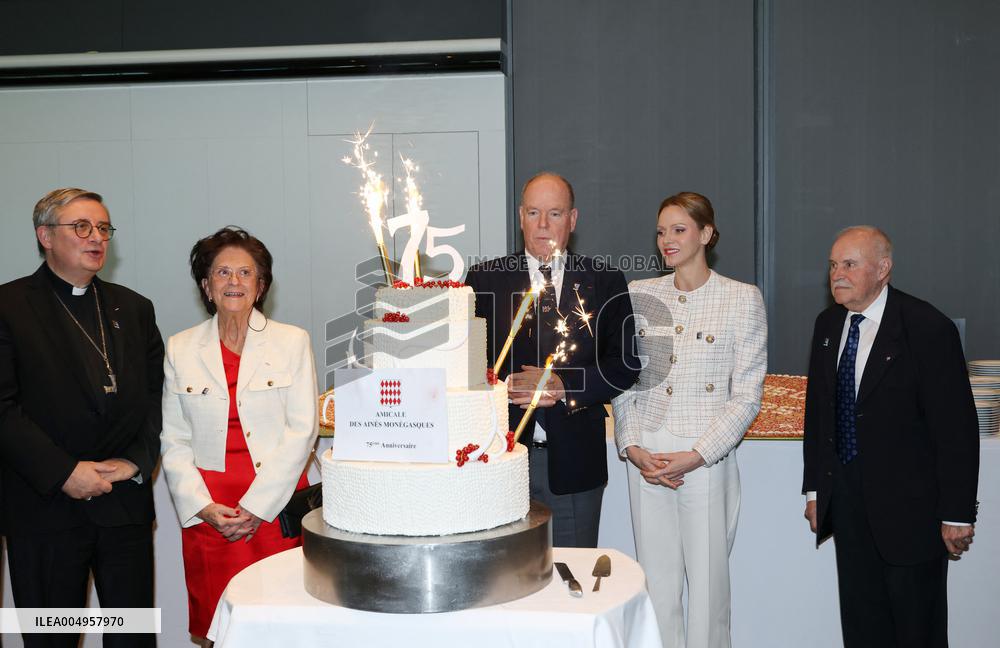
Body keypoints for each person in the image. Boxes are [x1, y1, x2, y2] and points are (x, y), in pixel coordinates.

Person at [0, 188, 164, 648]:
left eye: (104, 228)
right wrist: (64, 472)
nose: (96, 238)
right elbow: (2, 408)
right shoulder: (8, 307)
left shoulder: (133, 308)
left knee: (132, 639)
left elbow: (155, 397)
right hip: (46, 509)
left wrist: (135, 462)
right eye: (82, 227)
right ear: (45, 236)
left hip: (122, 508)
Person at [801, 226, 979, 647]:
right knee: (863, 629)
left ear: (883, 269)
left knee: (917, 631)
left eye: (849, 264)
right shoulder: (828, 325)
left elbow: (955, 427)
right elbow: (819, 416)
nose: (837, 274)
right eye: (832, 265)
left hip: (912, 516)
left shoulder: (926, 328)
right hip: (847, 508)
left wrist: (957, 513)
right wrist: (814, 491)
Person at [612, 192, 766, 648]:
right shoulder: (640, 294)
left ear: (706, 234)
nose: (667, 240)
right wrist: (632, 446)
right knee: (656, 586)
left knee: (708, 591)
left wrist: (698, 454)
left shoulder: (742, 299)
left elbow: (747, 396)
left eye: (679, 230)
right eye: (661, 231)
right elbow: (625, 381)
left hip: (705, 459)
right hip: (648, 458)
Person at [160, 227, 318, 645]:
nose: (234, 282)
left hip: (273, 503)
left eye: (245, 273)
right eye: (222, 272)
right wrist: (203, 506)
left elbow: (303, 431)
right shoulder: (179, 348)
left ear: (261, 285)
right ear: (205, 285)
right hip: (211, 513)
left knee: (281, 621)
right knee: (218, 625)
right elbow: (174, 440)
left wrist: (256, 507)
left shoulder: (292, 341)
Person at [465, 172, 638, 547]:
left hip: (575, 464)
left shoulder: (604, 280)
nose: (542, 225)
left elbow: (625, 363)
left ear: (572, 220)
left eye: (555, 214)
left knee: (570, 581)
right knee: (504, 585)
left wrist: (565, 384)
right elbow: (465, 367)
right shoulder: (483, 279)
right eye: (533, 213)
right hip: (499, 459)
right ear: (520, 216)